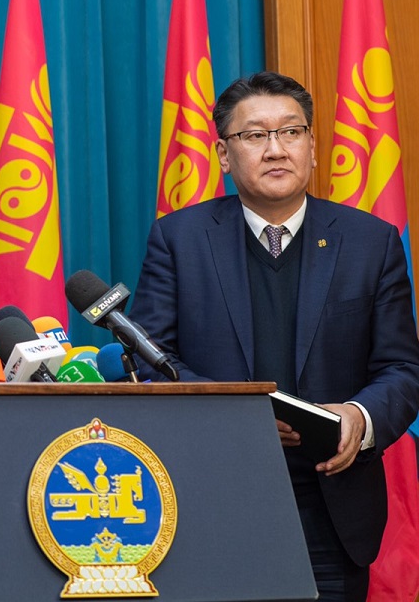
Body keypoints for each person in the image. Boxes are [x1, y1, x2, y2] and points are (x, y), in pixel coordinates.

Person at [129, 71, 419, 601]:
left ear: (312, 147)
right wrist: (240, 417)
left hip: (333, 512)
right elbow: (152, 361)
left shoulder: (370, 242)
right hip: (208, 505)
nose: (276, 149)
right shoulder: (179, 240)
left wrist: (360, 417)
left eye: (291, 131)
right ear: (223, 154)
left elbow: (402, 368)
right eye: (255, 135)